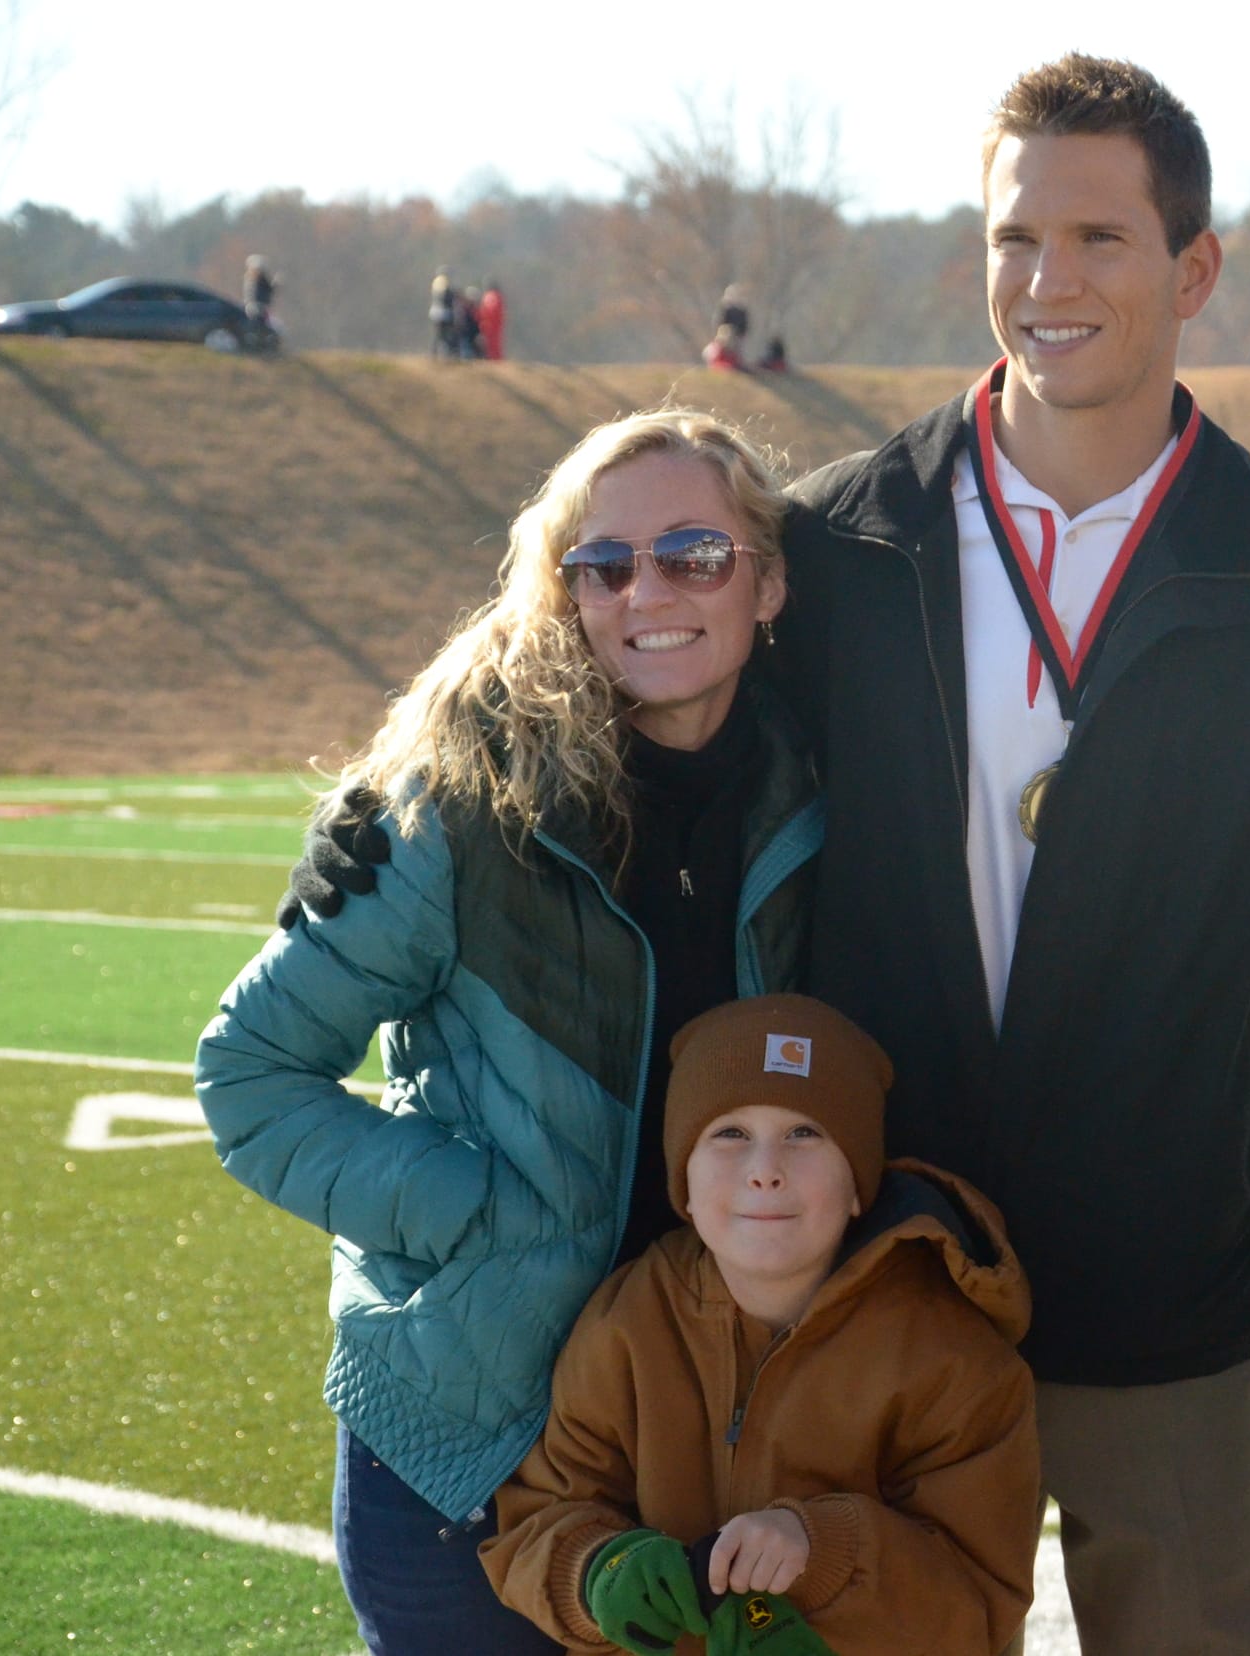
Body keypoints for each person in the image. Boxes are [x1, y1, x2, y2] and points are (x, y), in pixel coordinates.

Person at [770, 55, 1250, 1655]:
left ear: (1194, 270)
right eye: (1015, 237)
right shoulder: (836, 540)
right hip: (879, 1263)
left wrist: (1166, 936)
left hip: (1173, 1277)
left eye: (1100, 239)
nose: (1049, 281)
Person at [197, 409, 820, 1654]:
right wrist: (473, 1215)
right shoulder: (457, 805)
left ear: (768, 583)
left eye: (695, 555)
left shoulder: (822, 795)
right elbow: (250, 1073)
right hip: (470, 1448)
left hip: (709, 1442)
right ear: (567, 590)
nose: (649, 591)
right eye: (606, 565)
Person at [480, 992, 1043, 1656]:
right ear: (683, 1183)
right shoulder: (625, 1324)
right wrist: (599, 1570)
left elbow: (979, 1601)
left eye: (805, 1133)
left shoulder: (953, 1357)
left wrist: (823, 1553)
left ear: (859, 1180)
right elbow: (538, 1519)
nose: (766, 1172)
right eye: (730, 1134)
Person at [242, 253, 276, 326]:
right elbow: (269, 290)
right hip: (257, 308)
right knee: (259, 325)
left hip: (258, 307)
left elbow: (268, 290)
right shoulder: (253, 279)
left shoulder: (257, 279)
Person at [429, 267, 456, 358]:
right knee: (444, 335)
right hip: (444, 314)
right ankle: (445, 354)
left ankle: (435, 353)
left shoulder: (435, 283)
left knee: (438, 335)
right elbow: (448, 298)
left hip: (435, 313)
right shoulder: (444, 283)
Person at [478, 279, 507, 361]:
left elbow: (488, 312)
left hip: (489, 327)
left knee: (491, 345)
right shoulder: (498, 297)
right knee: (495, 345)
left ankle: (494, 360)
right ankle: (496, 360)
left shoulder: (490, 297)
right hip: (495, 326)